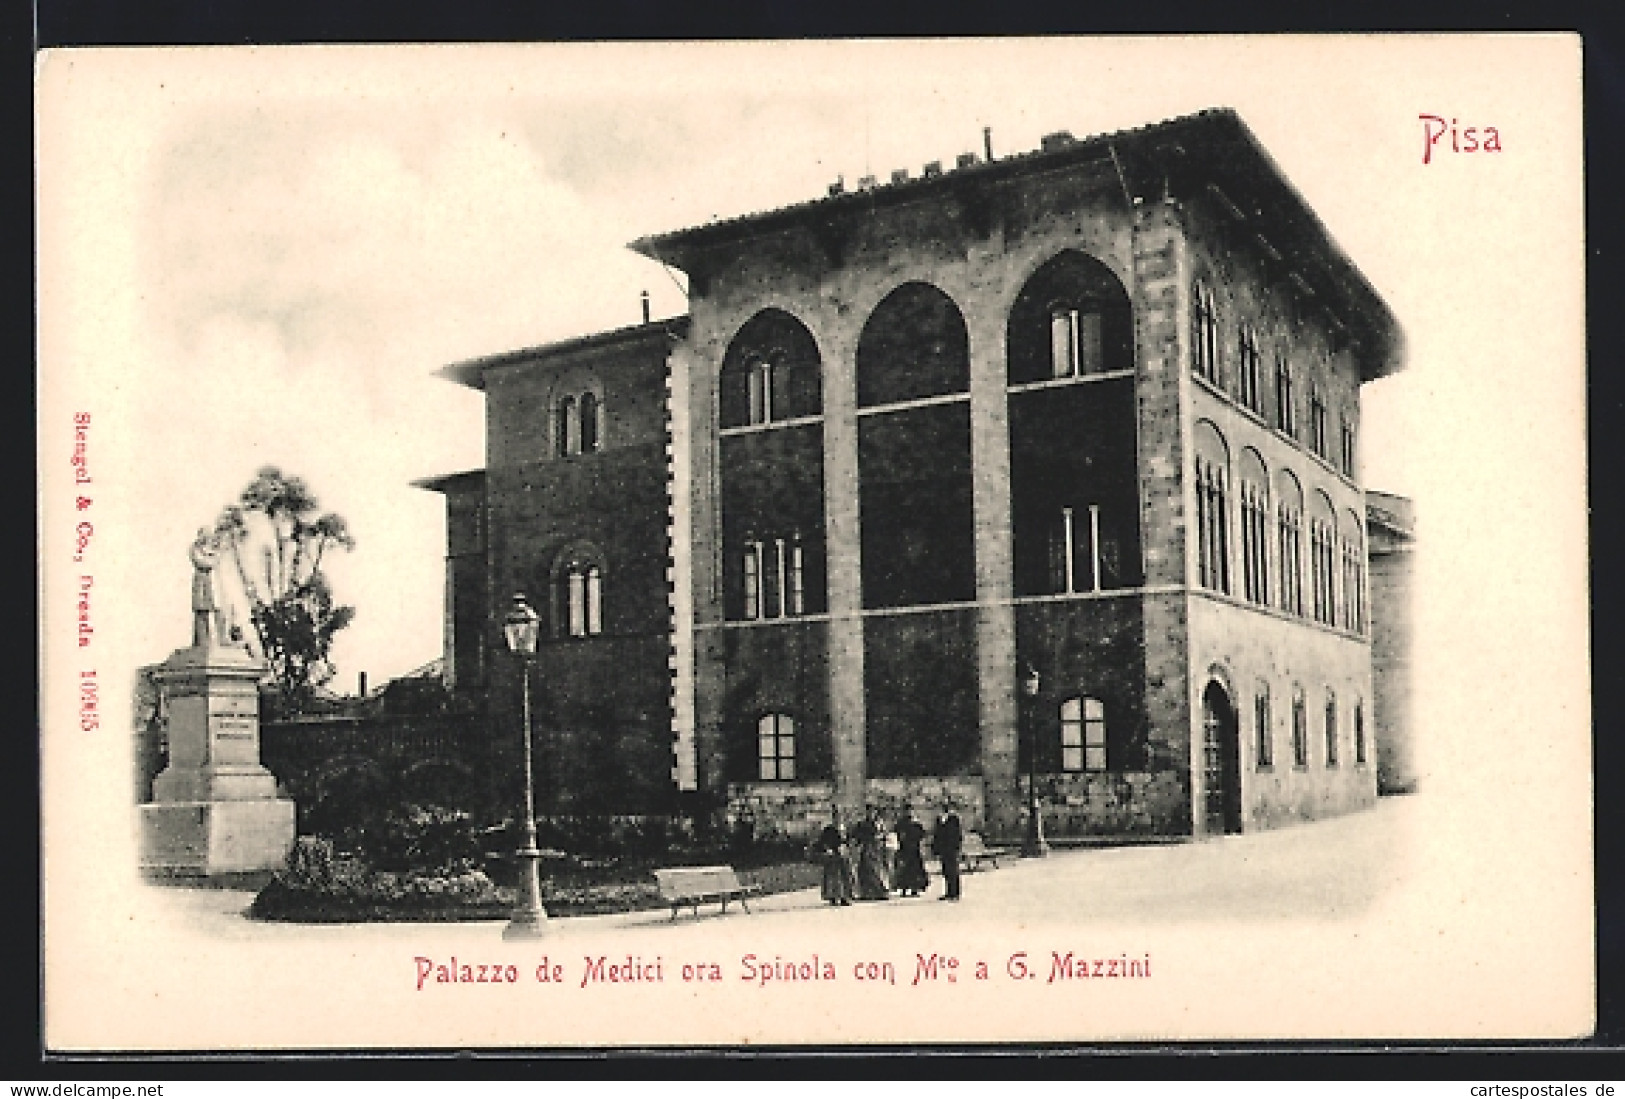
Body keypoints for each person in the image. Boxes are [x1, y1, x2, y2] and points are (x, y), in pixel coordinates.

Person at [813, 816, 855, 906]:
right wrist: (827, 849)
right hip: (833, 856)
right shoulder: (829, 830)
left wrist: (846, 847)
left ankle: (845, 897)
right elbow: (823, 842)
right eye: (836, 818)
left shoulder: (844, 829)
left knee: (846, 875)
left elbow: (848, 841)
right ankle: (833, 897)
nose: (838, 820)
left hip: (843, 855)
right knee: (833, 877)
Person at [851, 807, 891, 901]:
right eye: (869, 812)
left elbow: (884, 835)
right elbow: (856, 835)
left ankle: (880, 892)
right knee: (866, 869)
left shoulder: (878, 824)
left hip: (876, 849)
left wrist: (881, 840)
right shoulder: (862, 824)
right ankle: (867, 892)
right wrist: (857, 843)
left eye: (873, 812)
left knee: (876, 870)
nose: (871, 814)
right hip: (866, 848)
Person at [892, 805, 930, 897]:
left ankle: (915, 889)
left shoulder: (916, 823)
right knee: (903, 869)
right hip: (904, 849)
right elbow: (897, 833)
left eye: (910, 811)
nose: (909, 813)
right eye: (907, 811)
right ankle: (904, 889)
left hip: (914, 849)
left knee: (915, 870)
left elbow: (922, 834)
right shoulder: (901, 823)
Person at [933, 804, 964, 902]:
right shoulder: (939, 820)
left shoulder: (954, 820)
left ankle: (955, 893)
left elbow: (957, 835)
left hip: (951, 848)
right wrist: (936, 848)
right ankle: (948, 892)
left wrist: (956, 847)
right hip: (943, 849)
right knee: (946, 870)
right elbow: (937, 835)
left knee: (953, 870)